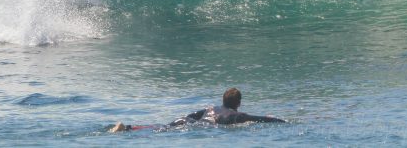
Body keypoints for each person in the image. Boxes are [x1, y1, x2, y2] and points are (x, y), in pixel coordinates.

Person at [109, 88, 286, 132]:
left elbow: (190, 116)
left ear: (222, 100)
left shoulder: (211, 107)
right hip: (202, 128)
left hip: (189, 121)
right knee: (164, 131)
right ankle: (129, 129)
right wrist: (280, 120)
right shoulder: (237, 115)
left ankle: (131, 128)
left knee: (164, 127)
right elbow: (261, 119)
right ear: (238, 103)